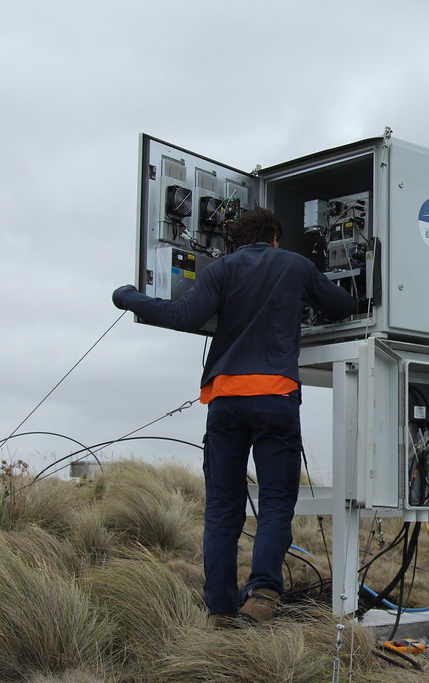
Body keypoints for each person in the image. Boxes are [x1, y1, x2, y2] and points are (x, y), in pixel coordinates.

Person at [112, 208, 355, 627]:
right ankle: (261, 594)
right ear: (276, 238)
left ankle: (221, 609)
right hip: (275, 398)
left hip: (224, 400)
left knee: (224, 508)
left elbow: (182, 316)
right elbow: (341, 305)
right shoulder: (295, 266)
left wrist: (127, 296)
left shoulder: (221, 269)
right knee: (277, 501)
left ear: (235, 241)